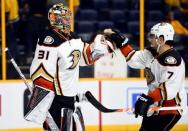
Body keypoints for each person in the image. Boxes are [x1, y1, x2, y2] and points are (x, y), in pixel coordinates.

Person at [24, 3, 115, 131]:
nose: (68, 20)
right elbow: (41, 71)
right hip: (55, 100)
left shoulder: (74, 37)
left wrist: (99, 49)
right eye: (64, 17)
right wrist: (42, 102)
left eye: (69, 17)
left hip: (69, 98)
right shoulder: (49, 39)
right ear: (55, 19)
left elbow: (83, 57)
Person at [104, 22, 186, 131]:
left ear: (161, 39)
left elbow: (168, 91)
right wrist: (122, 44)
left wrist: (147, 99)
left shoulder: (173, 61)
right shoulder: (150, 53)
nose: (150, 39)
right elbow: (133, 60)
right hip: (154, 105)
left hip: (170, 109)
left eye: (153, 36)